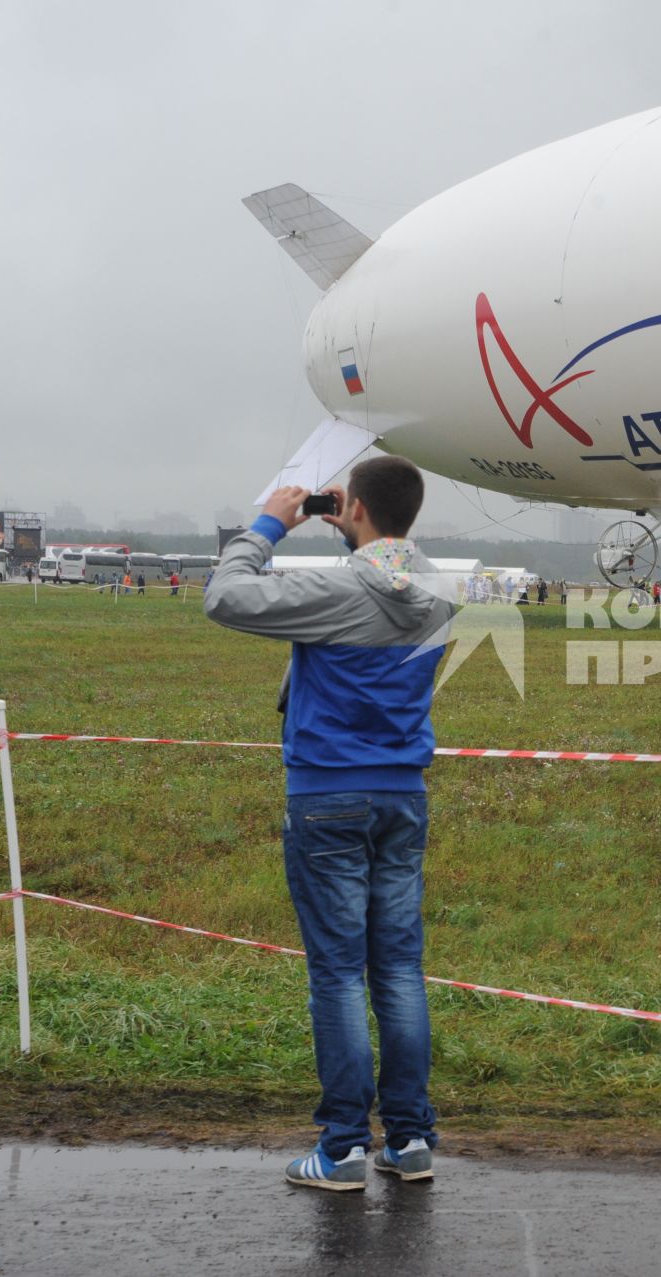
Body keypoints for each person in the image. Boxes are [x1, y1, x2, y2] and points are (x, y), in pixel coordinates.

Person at [204, 456, 458, 1191]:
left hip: (328, 795)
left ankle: (343, 1146)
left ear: (353, 511)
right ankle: (409, 1140)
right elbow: (393, 570)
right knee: (401, 970)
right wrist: (362, 529)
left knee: (340, 974)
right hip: (403, 794)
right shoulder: (438, 589)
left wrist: (269, 526)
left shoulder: (337, 588)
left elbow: (225, 596)